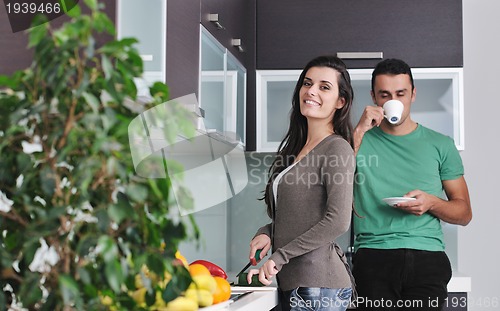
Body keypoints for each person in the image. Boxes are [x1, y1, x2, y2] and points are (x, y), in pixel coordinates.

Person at [351, 58, 472, 310]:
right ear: (373, 97)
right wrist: (358, 134)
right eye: (384, 94)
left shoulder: (441, 144)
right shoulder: (357, 142)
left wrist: (431, 203)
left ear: (413, 94)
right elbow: (329, 186)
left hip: (427, 257)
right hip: (373, 256)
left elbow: (464, 213)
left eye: (400, 93)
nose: (392, 100)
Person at [247, 55, 356, 311]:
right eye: (307, 83)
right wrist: (268, 232)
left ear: (341, 101)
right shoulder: (298, 149)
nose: (311, 91)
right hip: (298, 285)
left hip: (319, 287)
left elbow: (338, 220)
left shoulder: (337, 149)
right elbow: (301, 216)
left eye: (324, 87)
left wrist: (280, 256)